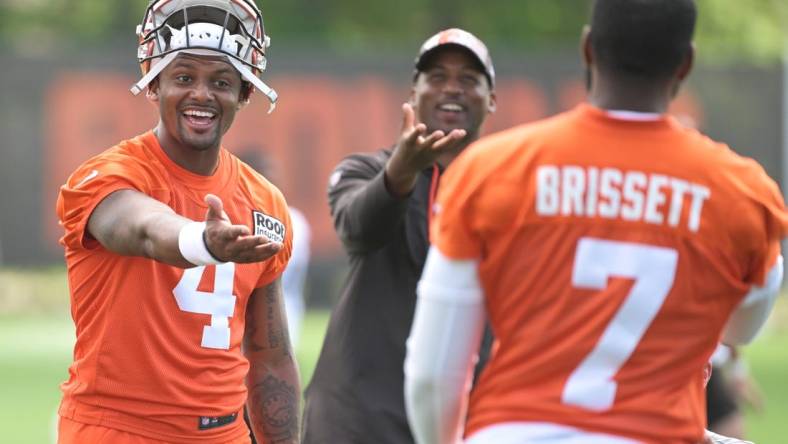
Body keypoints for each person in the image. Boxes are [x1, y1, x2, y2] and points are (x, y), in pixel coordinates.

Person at [404, 1, 787, 443]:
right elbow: (743, 328)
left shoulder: (492, 170)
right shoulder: (741, 192)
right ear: (685, 64)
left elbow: (433, 375)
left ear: (588, 49)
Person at [55, 1, 300, 443]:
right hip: (117, 431)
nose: (202, 95)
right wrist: (201, 243)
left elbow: (271, 358)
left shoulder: (264, 202)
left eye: (221, 82)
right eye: (184, 77)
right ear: (154, 85)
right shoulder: (107, 174)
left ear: (245, 93)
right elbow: (144, 229)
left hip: (225, 435)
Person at [302, 28, 497, 444]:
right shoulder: (366, 170)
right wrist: (401, 173)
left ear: (492, 98)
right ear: (414, 91)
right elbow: (359, 229)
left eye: (468, 79)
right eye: (437, 76)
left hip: (462, 422)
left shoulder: (507, 190)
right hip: (358, 421)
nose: (452, 89)